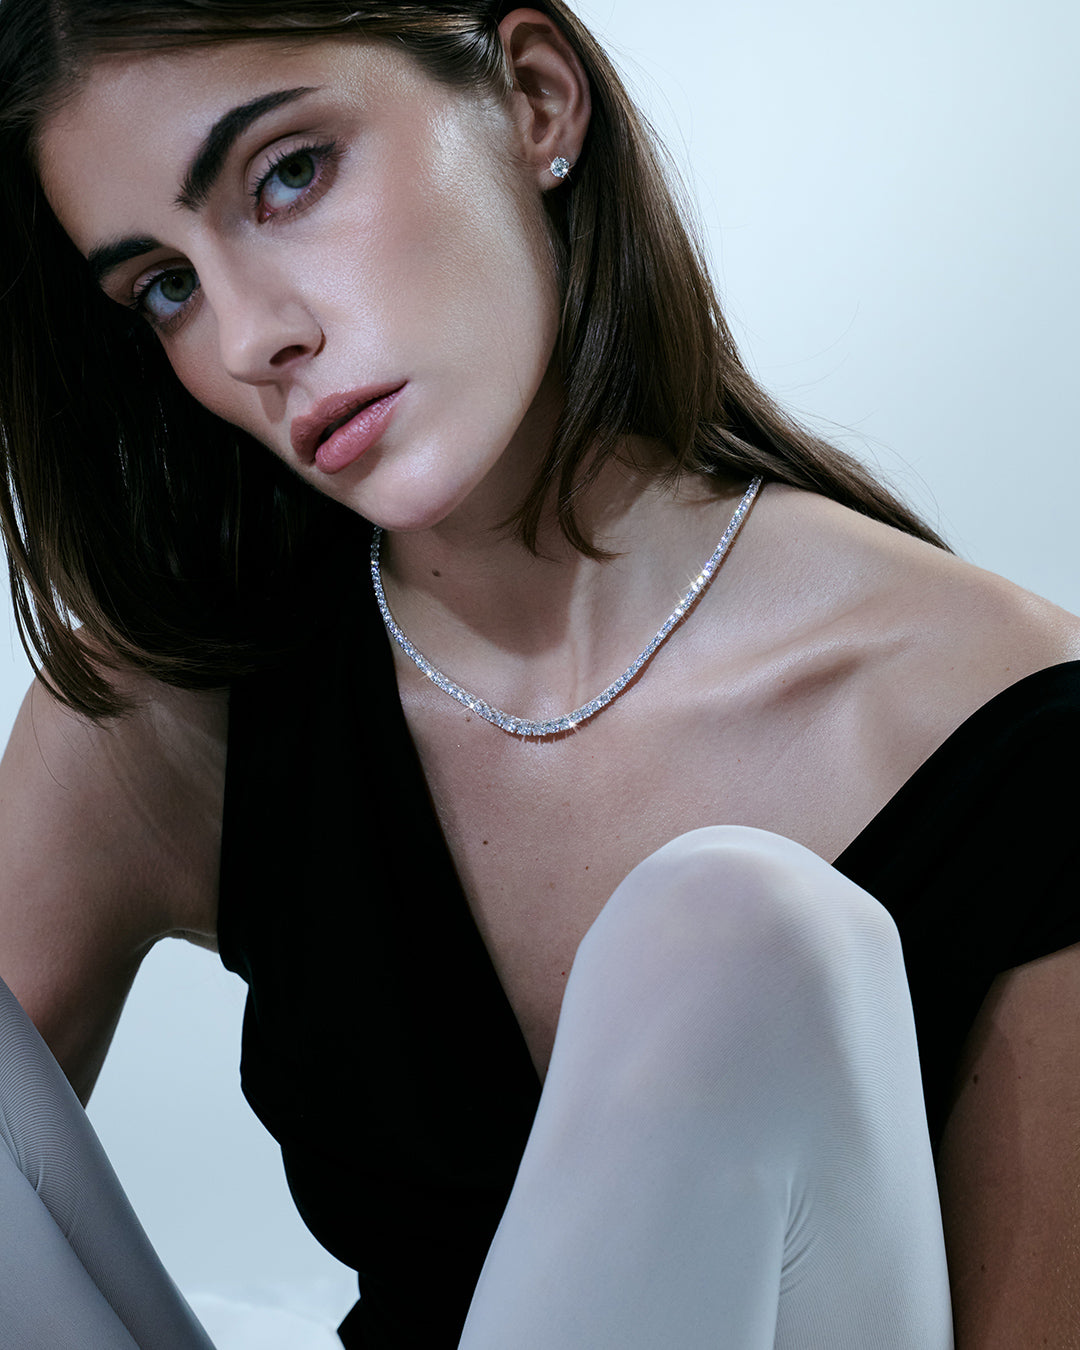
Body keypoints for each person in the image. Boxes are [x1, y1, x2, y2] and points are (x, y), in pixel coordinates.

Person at [0, 0, 1078, 1346]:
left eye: (290, 174)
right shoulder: (179, 701)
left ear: (535, 99)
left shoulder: (1017, 731)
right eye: (166, 284)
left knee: (733, 933)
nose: (244, 340)